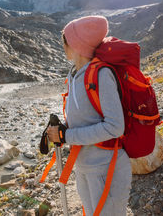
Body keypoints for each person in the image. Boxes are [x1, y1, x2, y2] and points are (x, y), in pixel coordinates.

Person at [47, 16, 132, 215]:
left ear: (76, 45)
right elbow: (84, 118)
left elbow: (114, 126)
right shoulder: (74, 75)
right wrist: (61, 130)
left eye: (65, 41)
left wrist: (66, 136)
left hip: (106, 168)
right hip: (84, 167)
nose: (63, 46)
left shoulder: (101, 75)